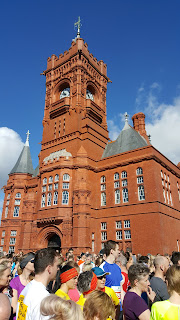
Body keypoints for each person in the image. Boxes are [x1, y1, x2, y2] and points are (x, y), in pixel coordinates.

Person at [16, 248, 59, 320]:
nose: (58, 269)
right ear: (49, 269)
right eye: (57, 266)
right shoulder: (43, 298)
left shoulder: (28, 287)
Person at [100, 240, 123, 318]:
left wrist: (122, 303)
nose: (119, 252)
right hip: (107, 308)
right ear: (112, 251)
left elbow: (121, 287)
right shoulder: (102, 267)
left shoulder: (118, 268)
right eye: (117, 250)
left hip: (118, 308)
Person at [10, 252, 35, 318]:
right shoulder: (15, 282)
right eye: (33, 261)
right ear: (25, 264)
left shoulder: (34, 282)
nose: (35, 263)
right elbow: (14, 308)